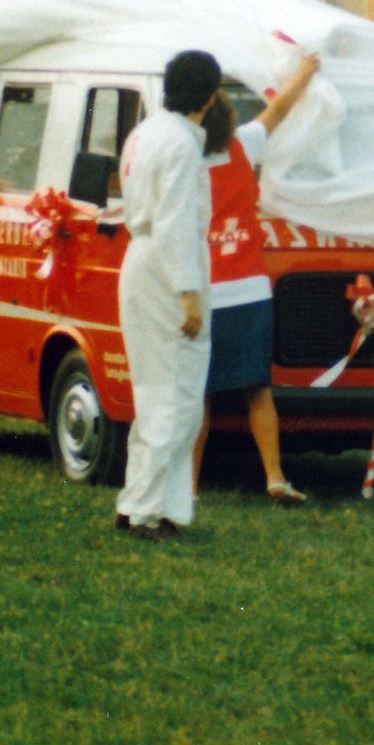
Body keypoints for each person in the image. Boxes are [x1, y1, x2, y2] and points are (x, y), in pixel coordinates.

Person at [191, 54, 321, 505]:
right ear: (229, 121)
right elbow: (279, 109)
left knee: (199, 398)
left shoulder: (183, 160)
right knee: (258, 392)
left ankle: (186, 488)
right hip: (249, 288)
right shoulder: (245, 145)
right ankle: (275, 478)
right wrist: (304, 74)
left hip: (203, 291)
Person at [115, 50, 221, 539]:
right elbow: (177, 222)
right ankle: (146, 509)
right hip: (166, 265)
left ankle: (146, 500)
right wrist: (188, 295)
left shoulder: (145, 133)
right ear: (211, 95)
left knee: (156, 393)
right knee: (176, 396)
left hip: (140, 259)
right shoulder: (180, 145)